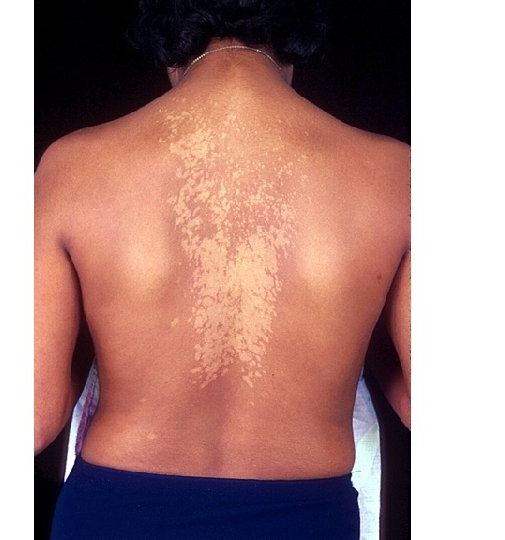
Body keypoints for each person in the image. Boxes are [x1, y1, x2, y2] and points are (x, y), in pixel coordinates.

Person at [34, 1, 410, 538]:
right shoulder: (395, 175)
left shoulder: (73, 166)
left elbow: (35, 416)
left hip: (116, 512)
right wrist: (359, 324)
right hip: (307, 518)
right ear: (295, 38)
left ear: (168, 43)